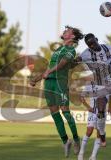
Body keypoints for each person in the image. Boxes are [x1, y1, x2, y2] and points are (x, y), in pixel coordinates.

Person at [30, 26, 84, 158]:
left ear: (72, 36)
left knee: (65, 112)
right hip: (49, 83)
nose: (65, 31)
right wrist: (36, 79)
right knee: (54, 114)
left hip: (60, 82)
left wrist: (50, 71)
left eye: (68, 30)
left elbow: (62, 64)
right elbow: (52, 66)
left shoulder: (71, 50)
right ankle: (66, 141)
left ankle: (77, 139)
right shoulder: (59, 49)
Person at [78, 83, 111, 160]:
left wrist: (110, 107)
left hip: (102, 112)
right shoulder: (89, 84)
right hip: (92, 111)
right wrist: (88, 107)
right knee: (89, 131)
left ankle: (93, 156)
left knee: (99, 133)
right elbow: (81, 96)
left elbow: (110, 94)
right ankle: (81, 153)